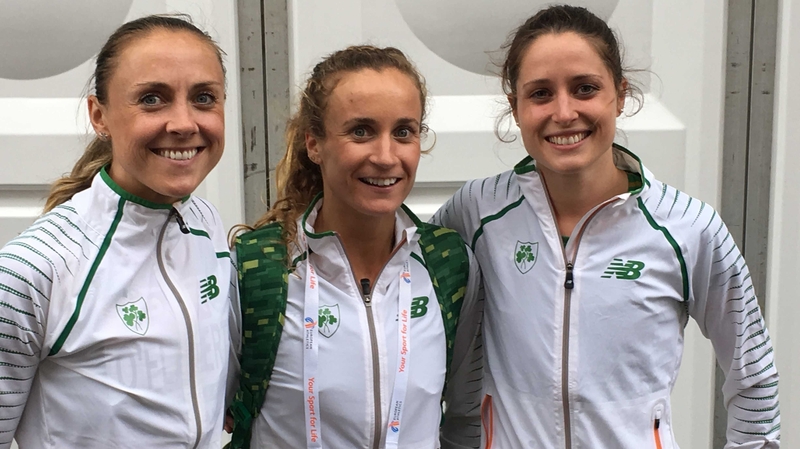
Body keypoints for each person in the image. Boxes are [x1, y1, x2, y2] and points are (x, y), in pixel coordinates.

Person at [432, 5, 780, 448]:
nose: (564, 112)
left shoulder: (688, 228)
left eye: (585, 88)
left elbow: (753, 375)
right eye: (540, 93)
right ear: (515, 108)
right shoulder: (478, 211)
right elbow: (396, 277)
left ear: (620, 94)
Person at [0, 15, 239, 448]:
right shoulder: (31, 271)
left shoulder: (206, 222)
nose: (184, 123)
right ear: (100, 115)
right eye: (152, 99)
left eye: (204, 98)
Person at [227, 45, 482, 449]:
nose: (385, 156)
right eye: (361, 131)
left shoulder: (448, 263)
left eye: (403, 132)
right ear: (314, 144)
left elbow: (466, 420)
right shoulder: (256, 269)